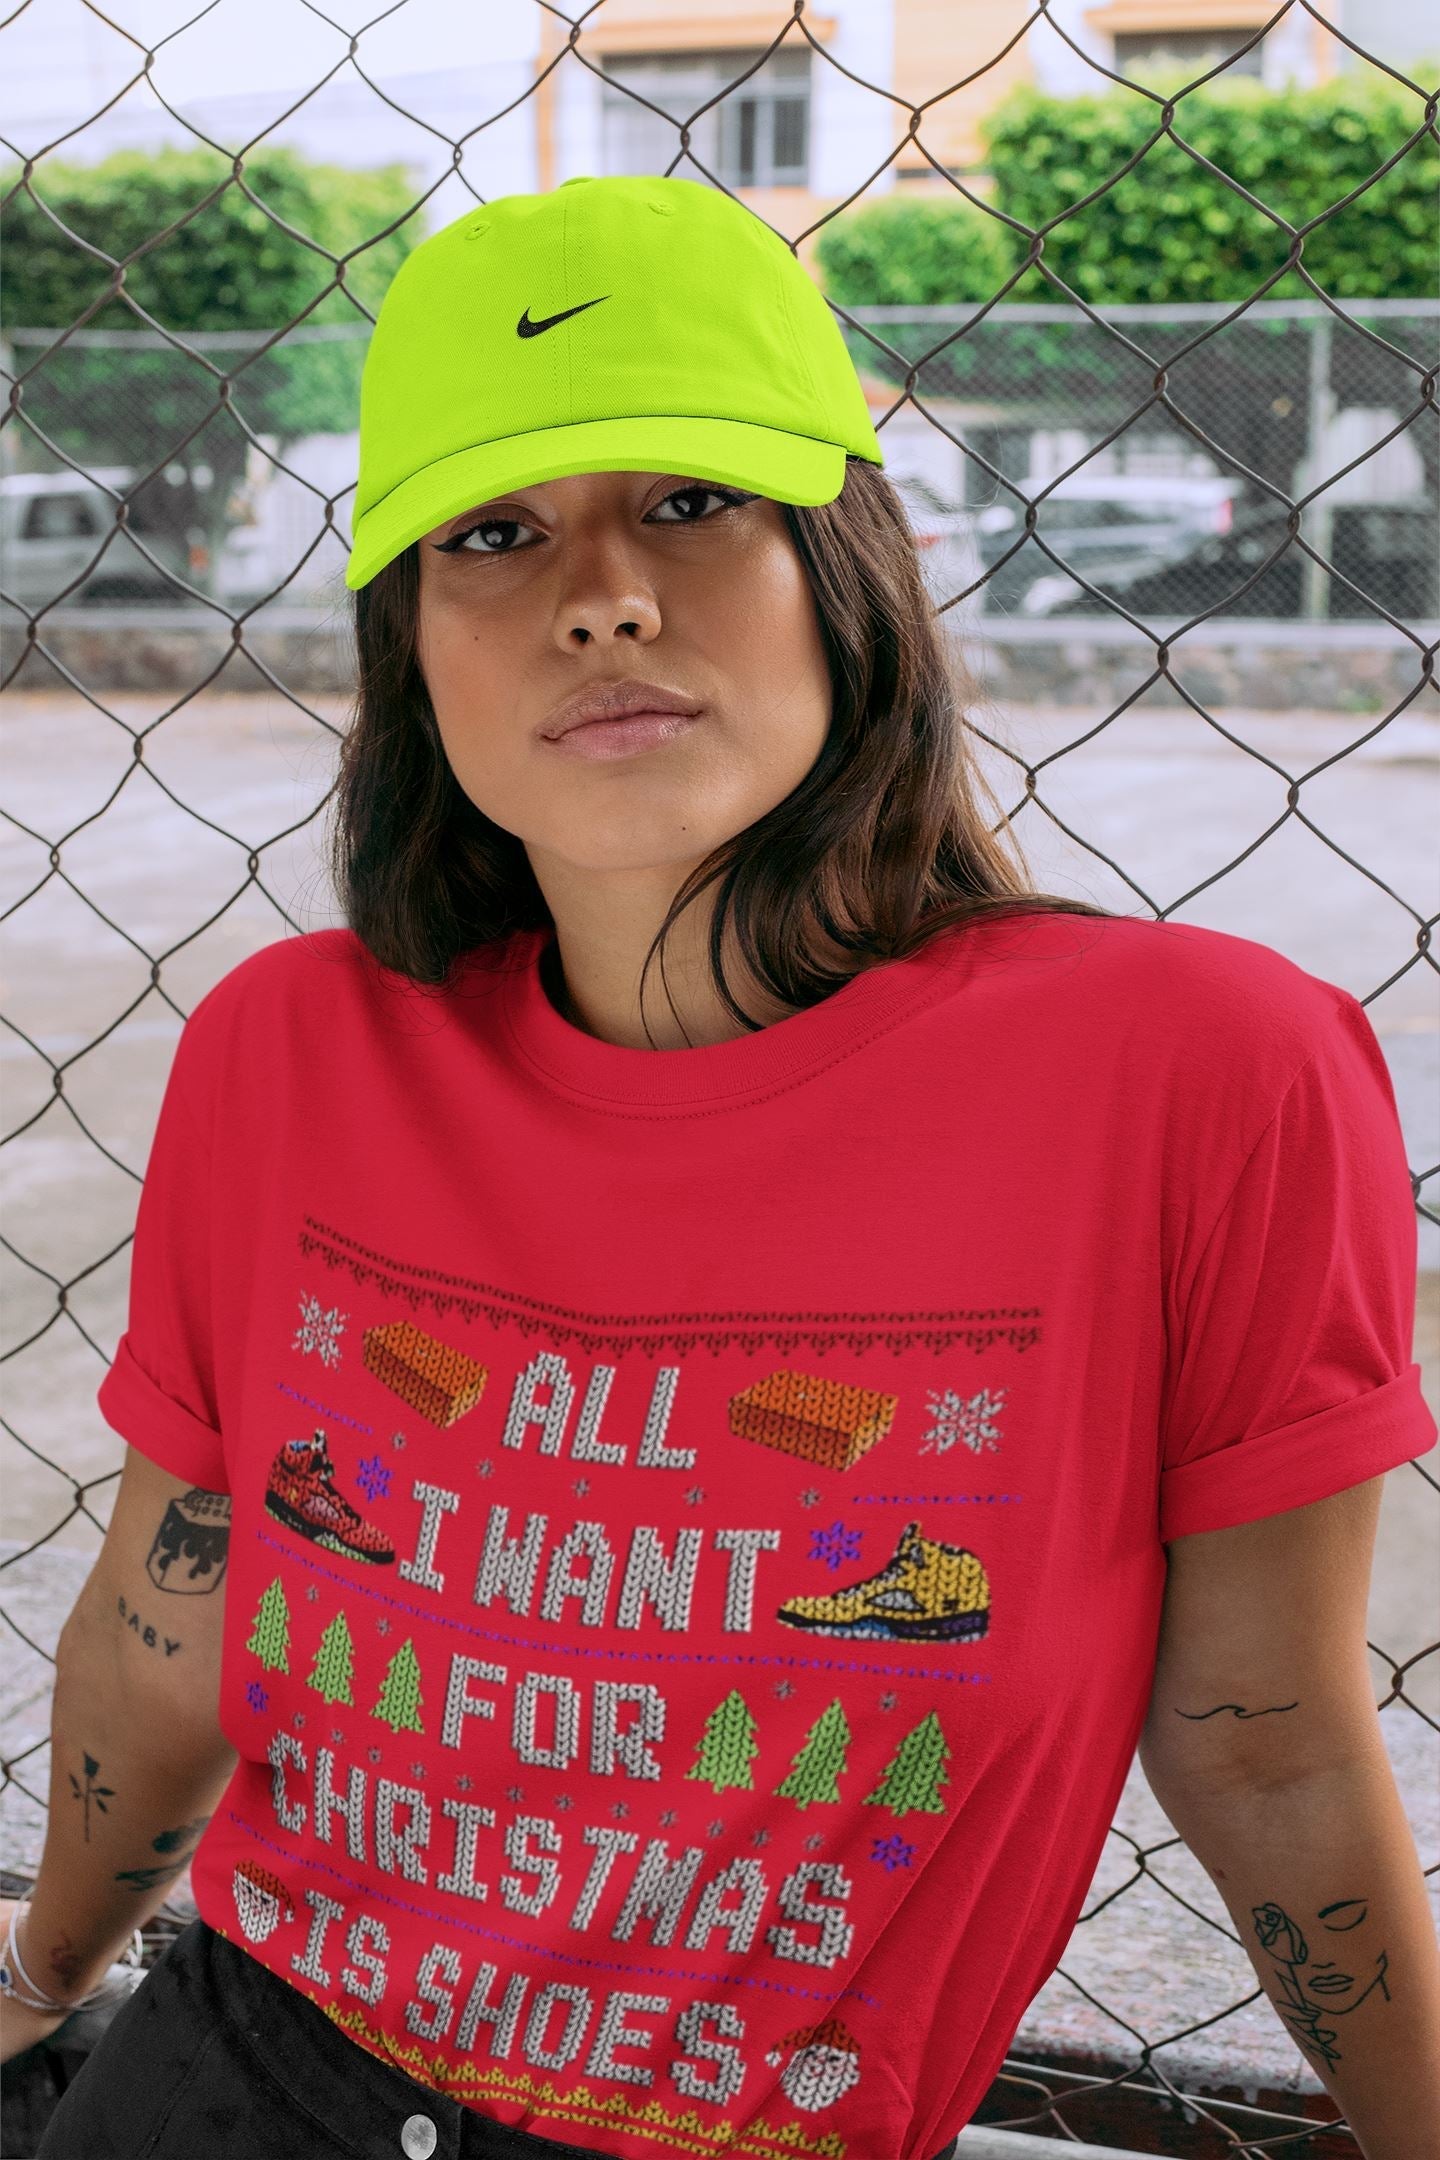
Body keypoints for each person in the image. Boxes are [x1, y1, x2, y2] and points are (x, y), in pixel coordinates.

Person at [6, 173, 1437, 2160]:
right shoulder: (289, 1051)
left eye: (689, 499)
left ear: (849, 566)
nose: (600, 596)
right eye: (492, 533)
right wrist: (37, 1985)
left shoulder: (1203, 1078)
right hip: (225, 2085)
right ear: (412, 646)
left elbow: (1267, 1746)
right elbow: (169, 1625)